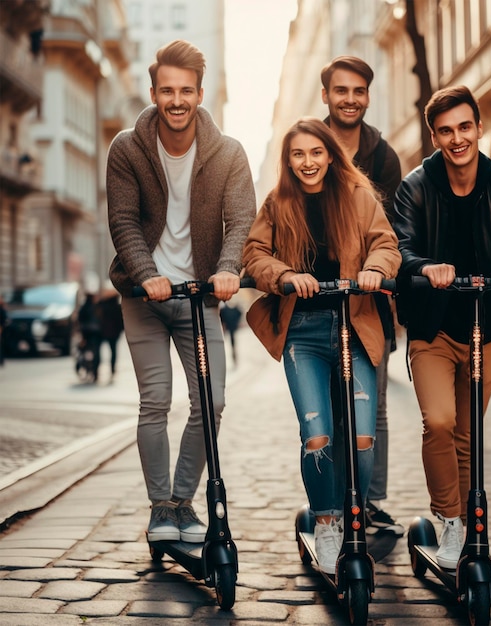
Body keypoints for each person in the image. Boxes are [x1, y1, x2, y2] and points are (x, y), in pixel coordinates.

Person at [106, 40, 256, 543]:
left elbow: (240, 221)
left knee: (210, 402)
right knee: (155, 402)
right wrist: (147, 273)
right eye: (167, 90)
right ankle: (158, 509)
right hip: (142, 296)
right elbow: (124, 220)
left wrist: (229, 267)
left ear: (199, 93)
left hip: (198, 297)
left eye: (185, 91)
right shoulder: (127, 148)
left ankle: (184, 503)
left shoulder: (229, 152)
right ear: (153, 92)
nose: (176, 100)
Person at [393, 85, 491, 570]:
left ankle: (466, 524)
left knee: (467, 433)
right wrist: (425, 267)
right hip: (432, 330)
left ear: (479, 127)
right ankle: (451, 521)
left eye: (464, 127)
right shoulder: (415, 186)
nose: (457, 138)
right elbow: (402, 249)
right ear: (434, 135)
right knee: (439, 422)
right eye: (446, 130)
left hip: (486, 328)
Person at [242, 117, 401, 574]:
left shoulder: (358, 196)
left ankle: (355, 520)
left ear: (331, 155)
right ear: (289, 161)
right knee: (318, 437)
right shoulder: (278, 203)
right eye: (298, 154)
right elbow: (253, 255)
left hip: (357, 326)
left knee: (363, 439)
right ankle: (327, 523)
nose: (307, 162)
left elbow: (387, 245)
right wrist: (287, 276)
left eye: (315, 153)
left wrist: (374, 267)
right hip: (303, 335)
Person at [321, 55, 404, 537]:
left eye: (358, 91)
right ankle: (332, 501)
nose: (350, 99)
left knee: (374, 408)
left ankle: (371, 502)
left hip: (371, 297)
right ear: (327, 95)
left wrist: (378, 273)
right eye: (341, 90)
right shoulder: (312, 145)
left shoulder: (383, 156)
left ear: (367, 97)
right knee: (330, 407)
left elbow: (390, 232)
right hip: (320, 296)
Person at [97, 286, 124, 381]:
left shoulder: (101, 304)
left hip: (102, 331)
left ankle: (96, 370)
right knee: (113, 352)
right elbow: (121, 321)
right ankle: (112, 369)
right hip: (113, 333)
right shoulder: (117, 306)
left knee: (98, 351)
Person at [77, 292, 103, 382]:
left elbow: (80, 321)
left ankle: (87, 369)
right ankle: (95, 372)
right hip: (96, 334)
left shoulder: (84, 308)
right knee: (96, 353)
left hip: (86, 333)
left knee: (84, 352)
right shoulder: (97, 307)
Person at [219, 300, 242, 364]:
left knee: (231, 343)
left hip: (230, 328)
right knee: (224, 343)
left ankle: (233, 357)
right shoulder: (225, 310)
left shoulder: (228, 309)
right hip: (228, 328)